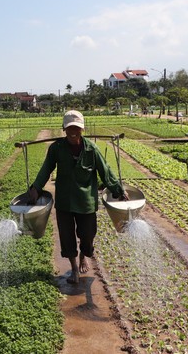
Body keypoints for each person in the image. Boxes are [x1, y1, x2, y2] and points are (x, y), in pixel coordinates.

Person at [29, 110, 128, 284]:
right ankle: (74, 268)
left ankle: (84, 255)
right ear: (64, 129)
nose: (73, 132)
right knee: (67, 237)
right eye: (70, 128)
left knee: (88, 235)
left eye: (77, 128)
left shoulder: (91, 149)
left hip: (86, 201)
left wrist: (118, 190)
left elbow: (105, 171)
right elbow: (46, 169)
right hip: (65, 201)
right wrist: (35, 188)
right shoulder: (57, 148)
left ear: (82, 129)